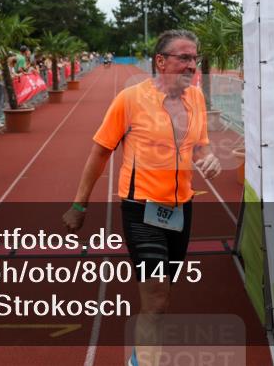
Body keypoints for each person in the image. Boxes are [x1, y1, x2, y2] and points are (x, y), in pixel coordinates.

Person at [62, 30, 221, 366]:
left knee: (163, 294)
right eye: (183, 58)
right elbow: (100, 152)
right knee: (156, 299)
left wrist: (210, 157)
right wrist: (79, 203)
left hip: (181, 208)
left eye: (194, 58)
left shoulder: (196, 99)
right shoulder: (130, 99)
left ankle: (141, 356)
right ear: (160, 61)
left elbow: (200, 144)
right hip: (141, 209)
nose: (192, 65)